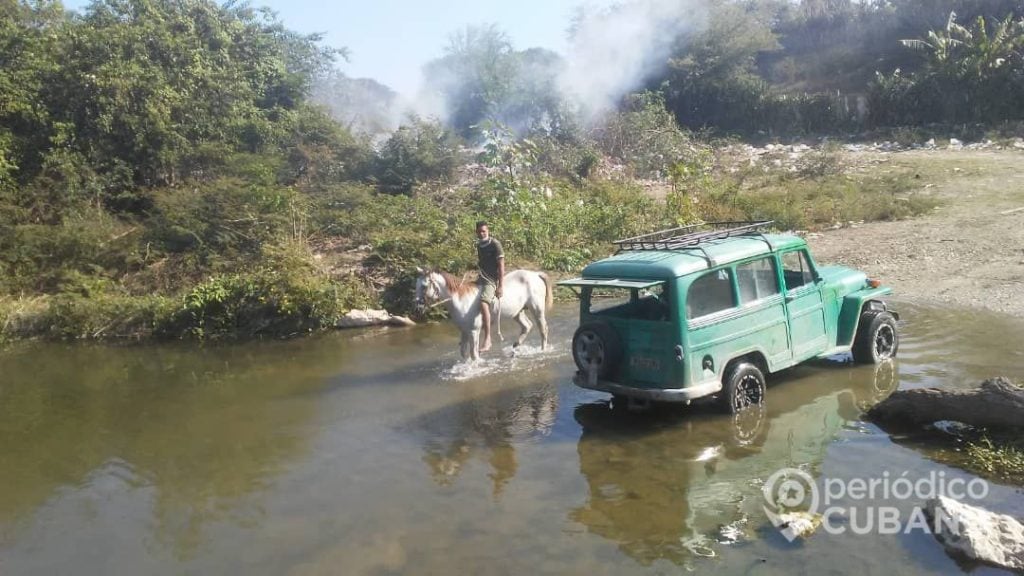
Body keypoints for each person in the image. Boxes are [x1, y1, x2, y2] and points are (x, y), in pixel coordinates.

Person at [475, 220, 504, 353]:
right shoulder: (479, 245)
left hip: (491, 280)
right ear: (476, 232)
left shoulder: (495, 244)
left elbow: (501, 265)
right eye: (479, 231)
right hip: (481, 277)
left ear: (488, 231)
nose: (481, 234)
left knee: (483, 303)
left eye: (484, 231)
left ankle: (487, 338)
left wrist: (500, 286)